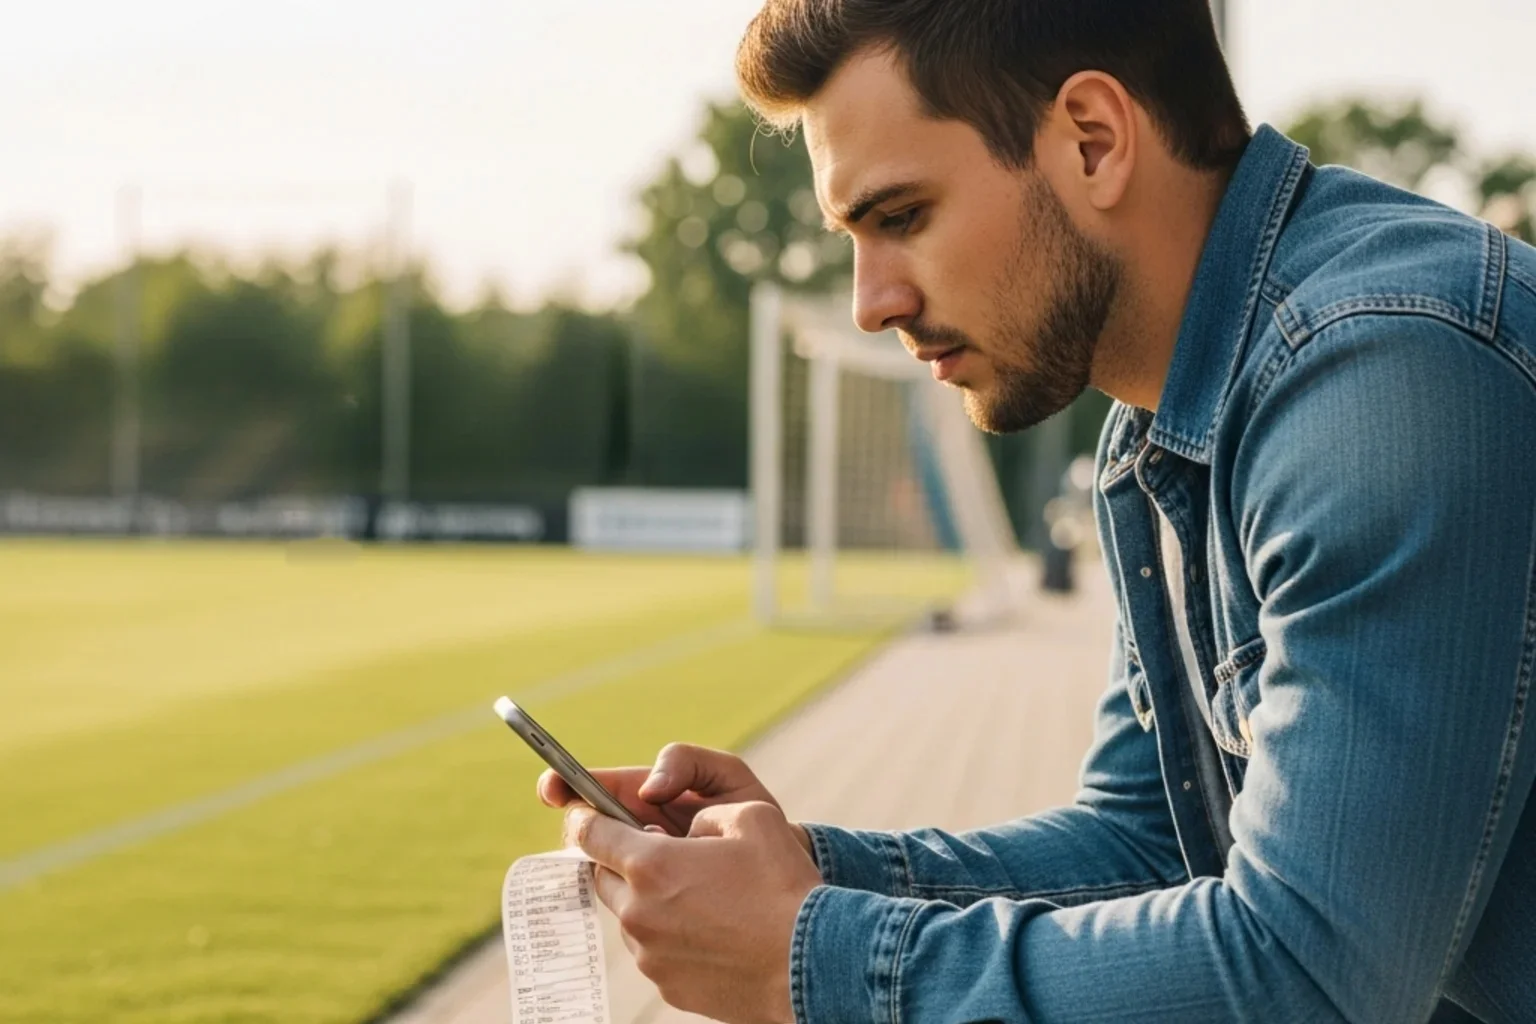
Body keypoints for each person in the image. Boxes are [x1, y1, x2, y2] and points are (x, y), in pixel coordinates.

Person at [539, 2, 1536, 1020]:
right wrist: (800, 875)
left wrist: (803, 955)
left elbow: (1308, 979)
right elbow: (1150, 841)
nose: (869, 301)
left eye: (900, 217)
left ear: (1092, 141)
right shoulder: (1162, 427)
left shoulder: (1387, 372)